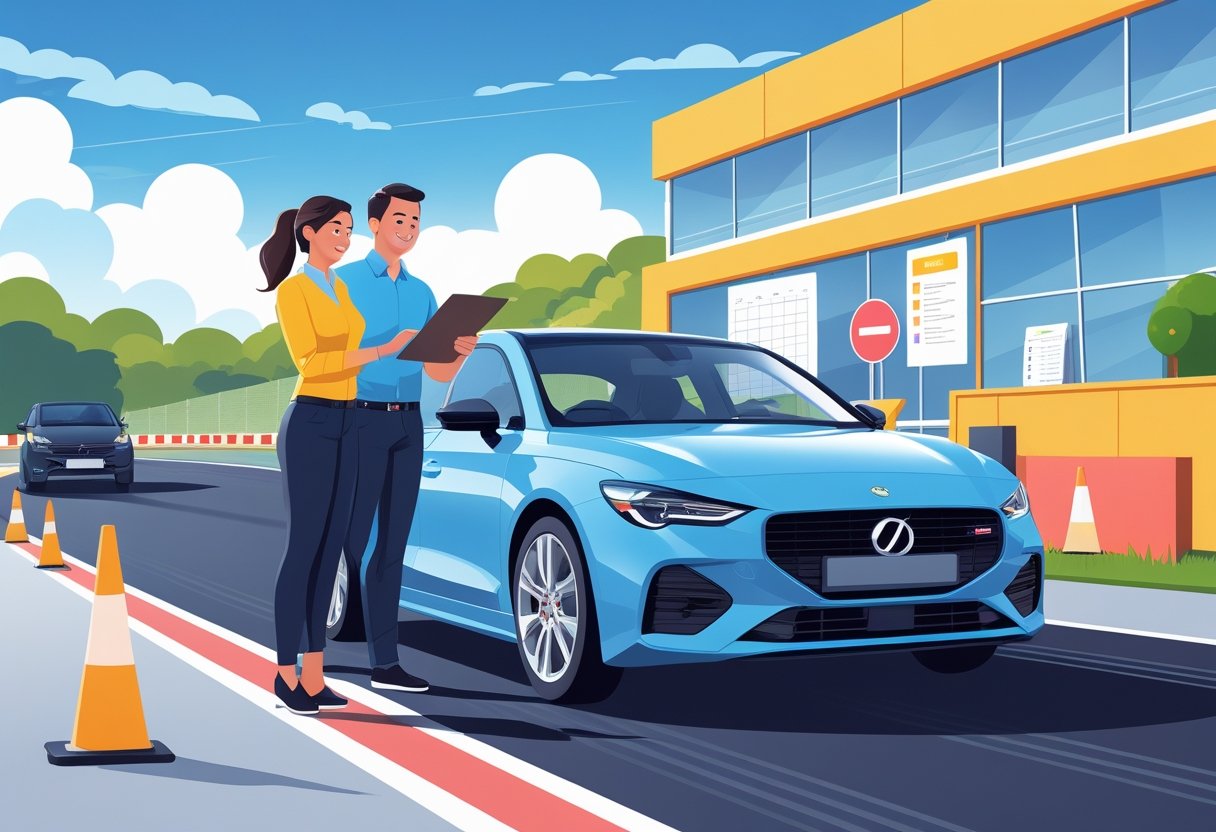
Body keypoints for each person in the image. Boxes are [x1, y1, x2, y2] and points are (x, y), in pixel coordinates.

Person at [259, 195, 417, 715]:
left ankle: (314, 675)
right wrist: (381, 349)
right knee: (303, 546)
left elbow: (349, 353)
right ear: (309, 234)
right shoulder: (294, 291)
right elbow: (310, 359)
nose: (345, 240)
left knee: (332, 551)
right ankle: (285, 674)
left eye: (349, 231)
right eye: (336, 230)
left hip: (351, 419)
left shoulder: (340, 286)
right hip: (311, 421)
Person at [339, 183, 476, 692]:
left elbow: (438, 375)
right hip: (356, 418)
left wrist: (460, 351)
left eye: (415, 222)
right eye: (400, 220)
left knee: (392, 545)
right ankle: (308, 651)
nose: (409, 229)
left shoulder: (423, 293)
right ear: (374, 225)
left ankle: (384, 662)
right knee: (344, 540)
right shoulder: (343, 282)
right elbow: (334, 353)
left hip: (409, 424)